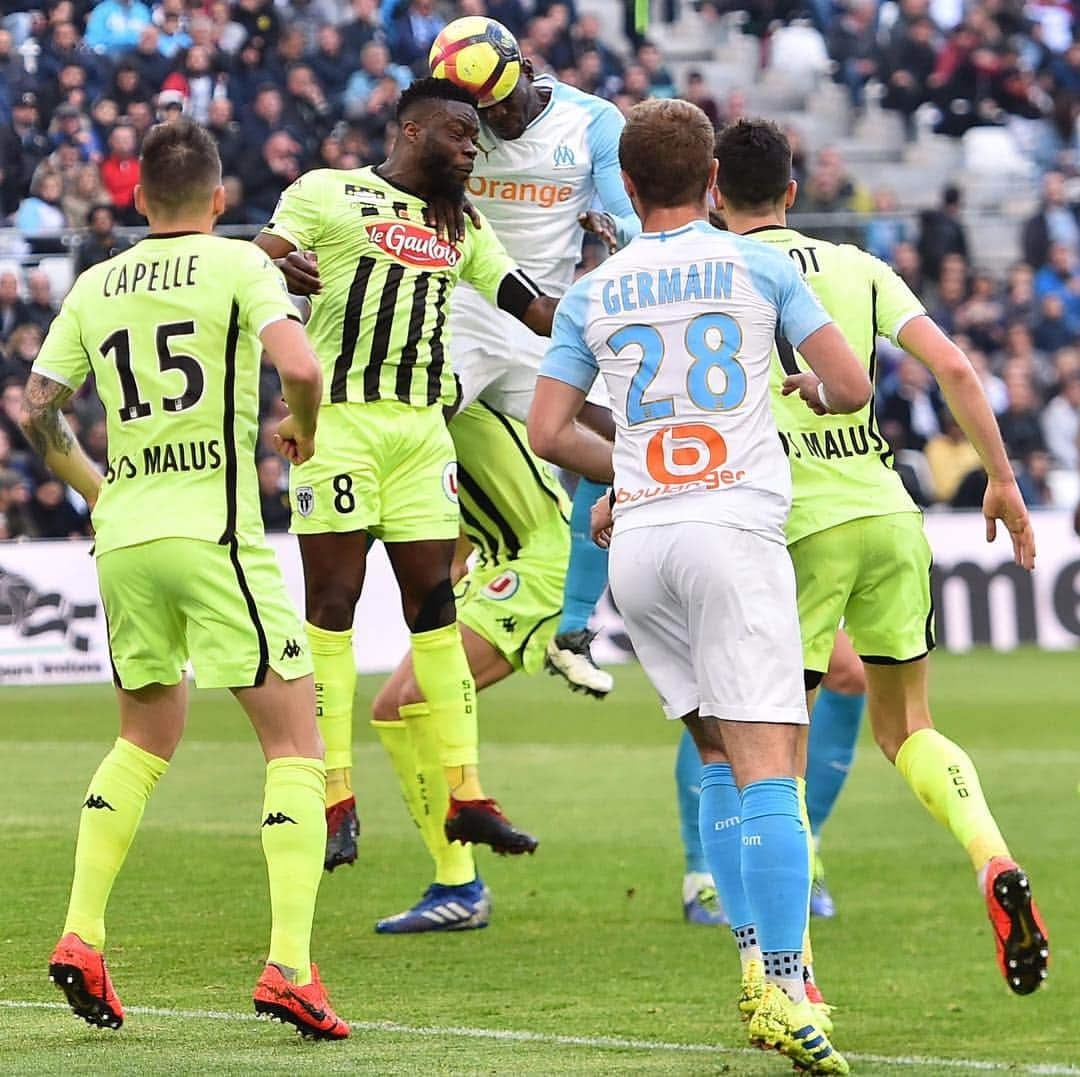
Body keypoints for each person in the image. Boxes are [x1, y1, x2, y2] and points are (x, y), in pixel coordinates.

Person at [529, 97, 872, 1074]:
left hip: (641, 545)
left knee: (718, 758)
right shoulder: (759, 261)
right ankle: (790, 984)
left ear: (627, 189)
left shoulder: (597, 292)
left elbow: (551, 431)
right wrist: (796, 387)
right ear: (714, 181)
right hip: (731, 529)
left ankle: (753, 977)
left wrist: (629, 472)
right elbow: (849, 385)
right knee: (773, 766)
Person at [22, 119, 348, 1040]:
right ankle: (291, 965)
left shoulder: (94, 282)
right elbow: (300, 365)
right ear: (216, 199)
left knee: (143, 735)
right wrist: (304, 428)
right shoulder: (241, 263)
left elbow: (38, 409)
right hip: (216, 532)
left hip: (127, 538)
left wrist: (101, 491)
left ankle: (82, 932)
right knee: (294, 741)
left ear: (135, 199)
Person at [715, 117, 1048, 996]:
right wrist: (1003, 482)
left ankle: (797, 977)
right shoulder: (861, 267)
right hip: (889, 512)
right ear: (794, 190)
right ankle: (993, 856)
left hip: (790, 528)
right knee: (908, 729)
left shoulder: (715, 272)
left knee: (768, 754)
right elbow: (958, 371)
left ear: (716, 190)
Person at [256, 78, 555, 867]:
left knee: (435, 608)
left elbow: (535, 309)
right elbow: (253, 266)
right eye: (460, 133)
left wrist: (613, 293)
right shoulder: (327, 192)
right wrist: (276, 275)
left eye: (476, 139)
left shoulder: (464, 225)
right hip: (341, 424)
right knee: (332, 606)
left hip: (423, 434)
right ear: (413, 127)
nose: (471, 147)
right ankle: (333, 795)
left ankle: (467, 793)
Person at [436, 18, 640, 702]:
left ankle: (573, 627)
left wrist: (612, 229)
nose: (493, 120)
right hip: (460, 310)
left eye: (502, 102)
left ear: (525, 69)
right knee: (415, 428)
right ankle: (451, 573)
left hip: (538, 321)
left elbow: (629, 218)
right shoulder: (453, 124)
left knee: (617, 445)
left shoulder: (593, 121)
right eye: (479, 112)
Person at [368, 400, 571, 931]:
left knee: (416, 698)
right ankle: (455, 884)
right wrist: (458, 567)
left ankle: (459, 886)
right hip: (496, 561)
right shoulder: (426, 398)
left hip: (540, 562)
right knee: (390, 708)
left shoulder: (443, 381)